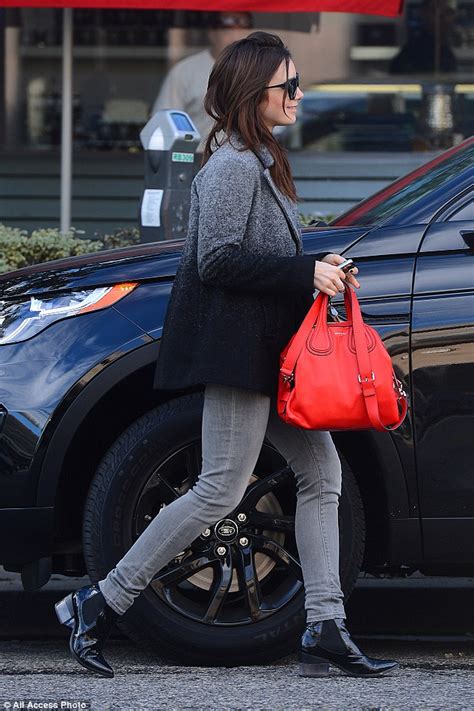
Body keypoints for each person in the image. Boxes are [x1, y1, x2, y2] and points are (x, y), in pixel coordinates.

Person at [55, 31, 399, 680]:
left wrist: (317, 266)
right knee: (218, 489)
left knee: (322, 473)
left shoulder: (260, 161)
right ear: (253, 92)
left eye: (298, 84)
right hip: (236, 353)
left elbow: (260, 257)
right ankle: (97, 602)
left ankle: (325, 624)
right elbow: (217, 260)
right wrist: (305, 273)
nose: (298, 96)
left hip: (266, 358)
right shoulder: (233, 167)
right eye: (288, 85)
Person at [151, 12, 253, 151]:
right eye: (227, 30)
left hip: (249, 160)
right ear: (212, 33)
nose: (235, 36)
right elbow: (162, 124)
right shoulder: (185, 71)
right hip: (197, 159)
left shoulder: (263, 71)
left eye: (242, 29)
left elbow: (285, 123)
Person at [390, 0, 457, 74]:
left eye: (448, 12)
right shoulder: (414, 51)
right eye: (434, 11)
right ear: (423, 14)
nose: (442, 17)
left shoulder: (444, 48)